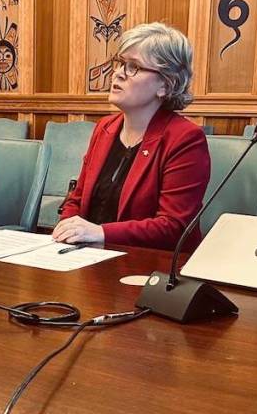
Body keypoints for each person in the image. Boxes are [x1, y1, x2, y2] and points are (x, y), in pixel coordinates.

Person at [54, 22, 209, 251]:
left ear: (165, 85)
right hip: (88, 256)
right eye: (120, 63)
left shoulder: (185, 139)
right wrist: (67, 226)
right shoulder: (105, 127)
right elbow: (76, 199)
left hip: (150, 266)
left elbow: (172, 226)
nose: (118, 73)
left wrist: (100, 232)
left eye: (133, 67)